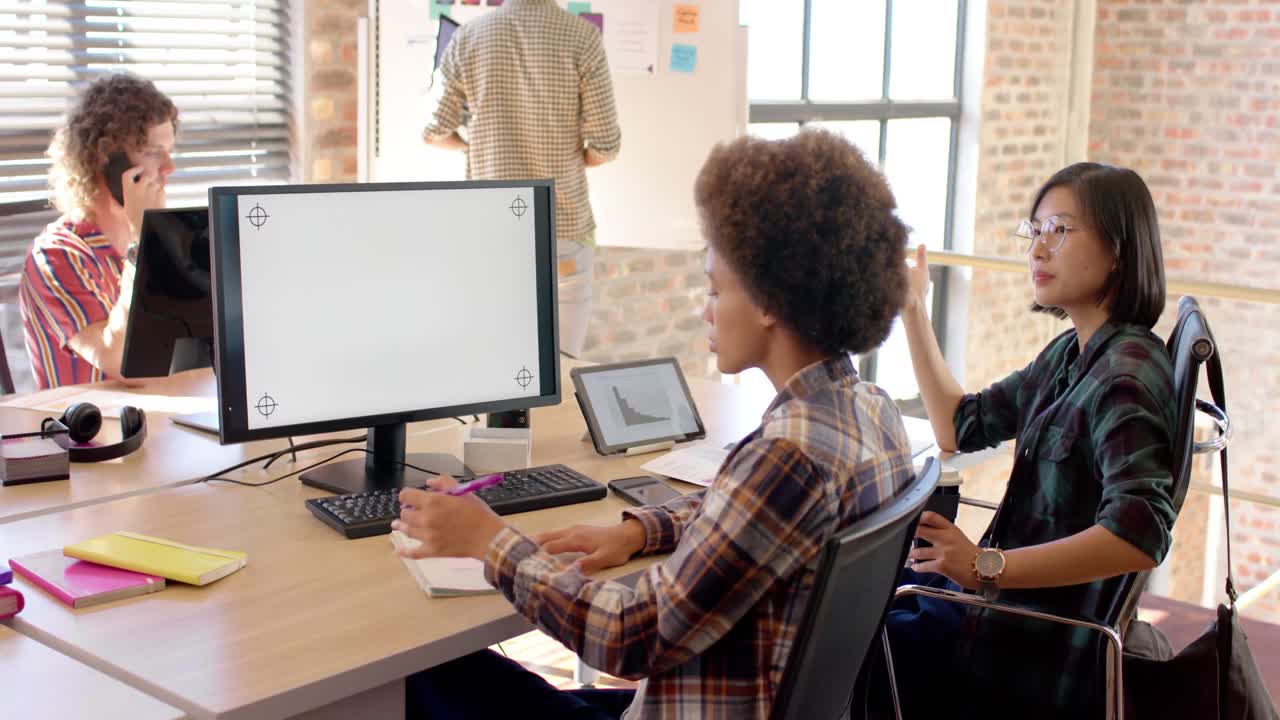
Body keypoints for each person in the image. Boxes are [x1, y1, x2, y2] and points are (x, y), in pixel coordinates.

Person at [393, 129, 915, 719]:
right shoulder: (870, 411)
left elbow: (630, 634)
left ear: (770, 301)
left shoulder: (787, 455)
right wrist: (641, 531)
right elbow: (750, 516)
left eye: (716, 289)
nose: (705, 310)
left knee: (417, 678)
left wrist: (490, 541)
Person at [887, 162, 1176, 717]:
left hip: (1025, 645)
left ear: (1119, 250)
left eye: (1060, 230)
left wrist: (983, 566)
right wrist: (912, 309)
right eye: (1034, 231)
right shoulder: (1071, 354)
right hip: (997, 610)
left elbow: (1138, 535)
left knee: (850, 634)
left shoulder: (1126, 378)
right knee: (861, 597)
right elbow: (960, 425)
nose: (1037, 250)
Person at [422, 0, 621, 358]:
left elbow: (434, 131)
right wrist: (569, 158)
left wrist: (477, 147)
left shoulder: (468, 37)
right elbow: (607, 145)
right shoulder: (582, 36)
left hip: (492, 232)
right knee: (559, 369)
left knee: (496, 367)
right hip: (563, 229)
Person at [19, 73, 177, 389]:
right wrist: (143, 240)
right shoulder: (57, 255)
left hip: (169, 423)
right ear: (108, 161)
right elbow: (123, 362)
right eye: (151, 152)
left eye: (170, 151)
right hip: (98, 435)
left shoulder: (165, 244)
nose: (169, 167)